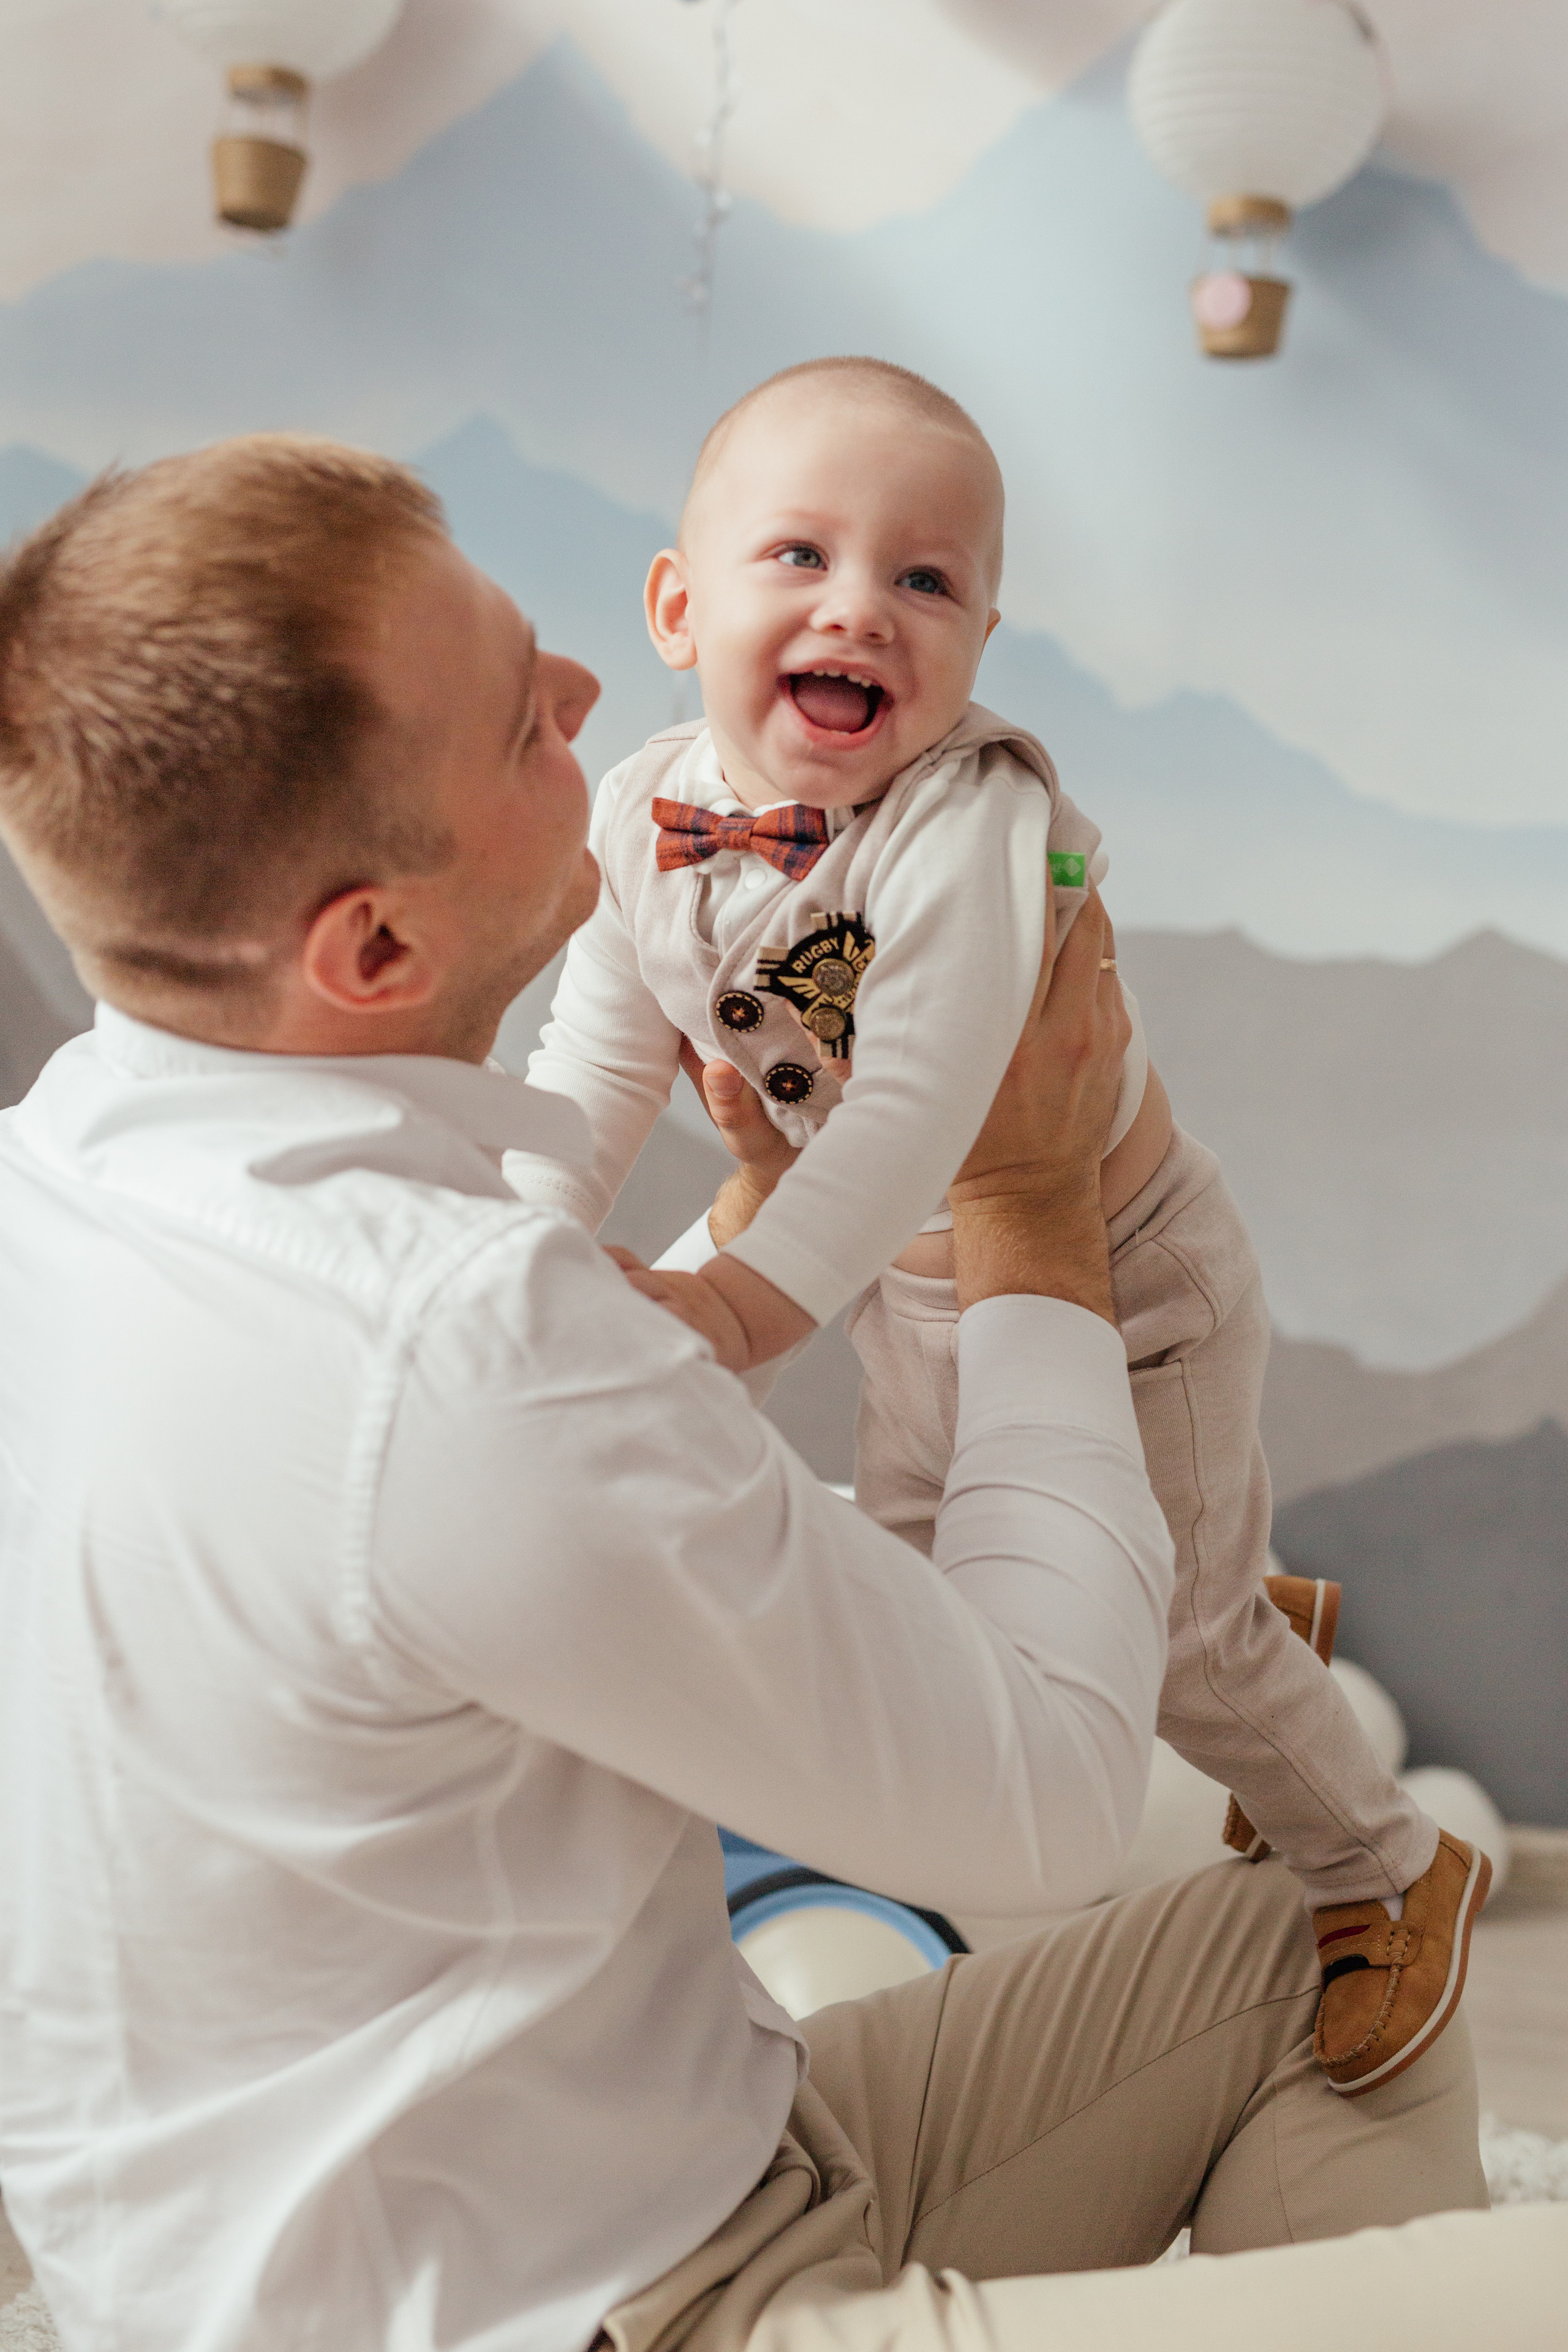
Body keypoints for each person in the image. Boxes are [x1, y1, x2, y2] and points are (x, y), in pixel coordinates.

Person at [0, 437, 1552, 2352]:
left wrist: (740, 1228)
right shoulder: (469, 1350)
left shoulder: (69, 1162)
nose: (584, 688)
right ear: (375, 946)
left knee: (1311, 1924)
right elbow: (1054, 1812)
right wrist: (1025, 1193)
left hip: (648, 2175)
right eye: (515, 721)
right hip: (589, 2316)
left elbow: (475, 1445)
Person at [510, 356, 1482, 2092]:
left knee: (1171, 1637)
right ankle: (1234, 1586)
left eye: (926, 581)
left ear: (980, 641)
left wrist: (738, 1308)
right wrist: (510, 1239)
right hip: (910, 1273)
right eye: (799, 558)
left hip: (1122, 1277)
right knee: (940, 1606)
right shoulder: (640, 812)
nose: (862, 610)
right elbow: (598, 1048)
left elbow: (926, 1110)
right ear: (678, 605)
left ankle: (1387, 1869)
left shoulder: (973, 822)